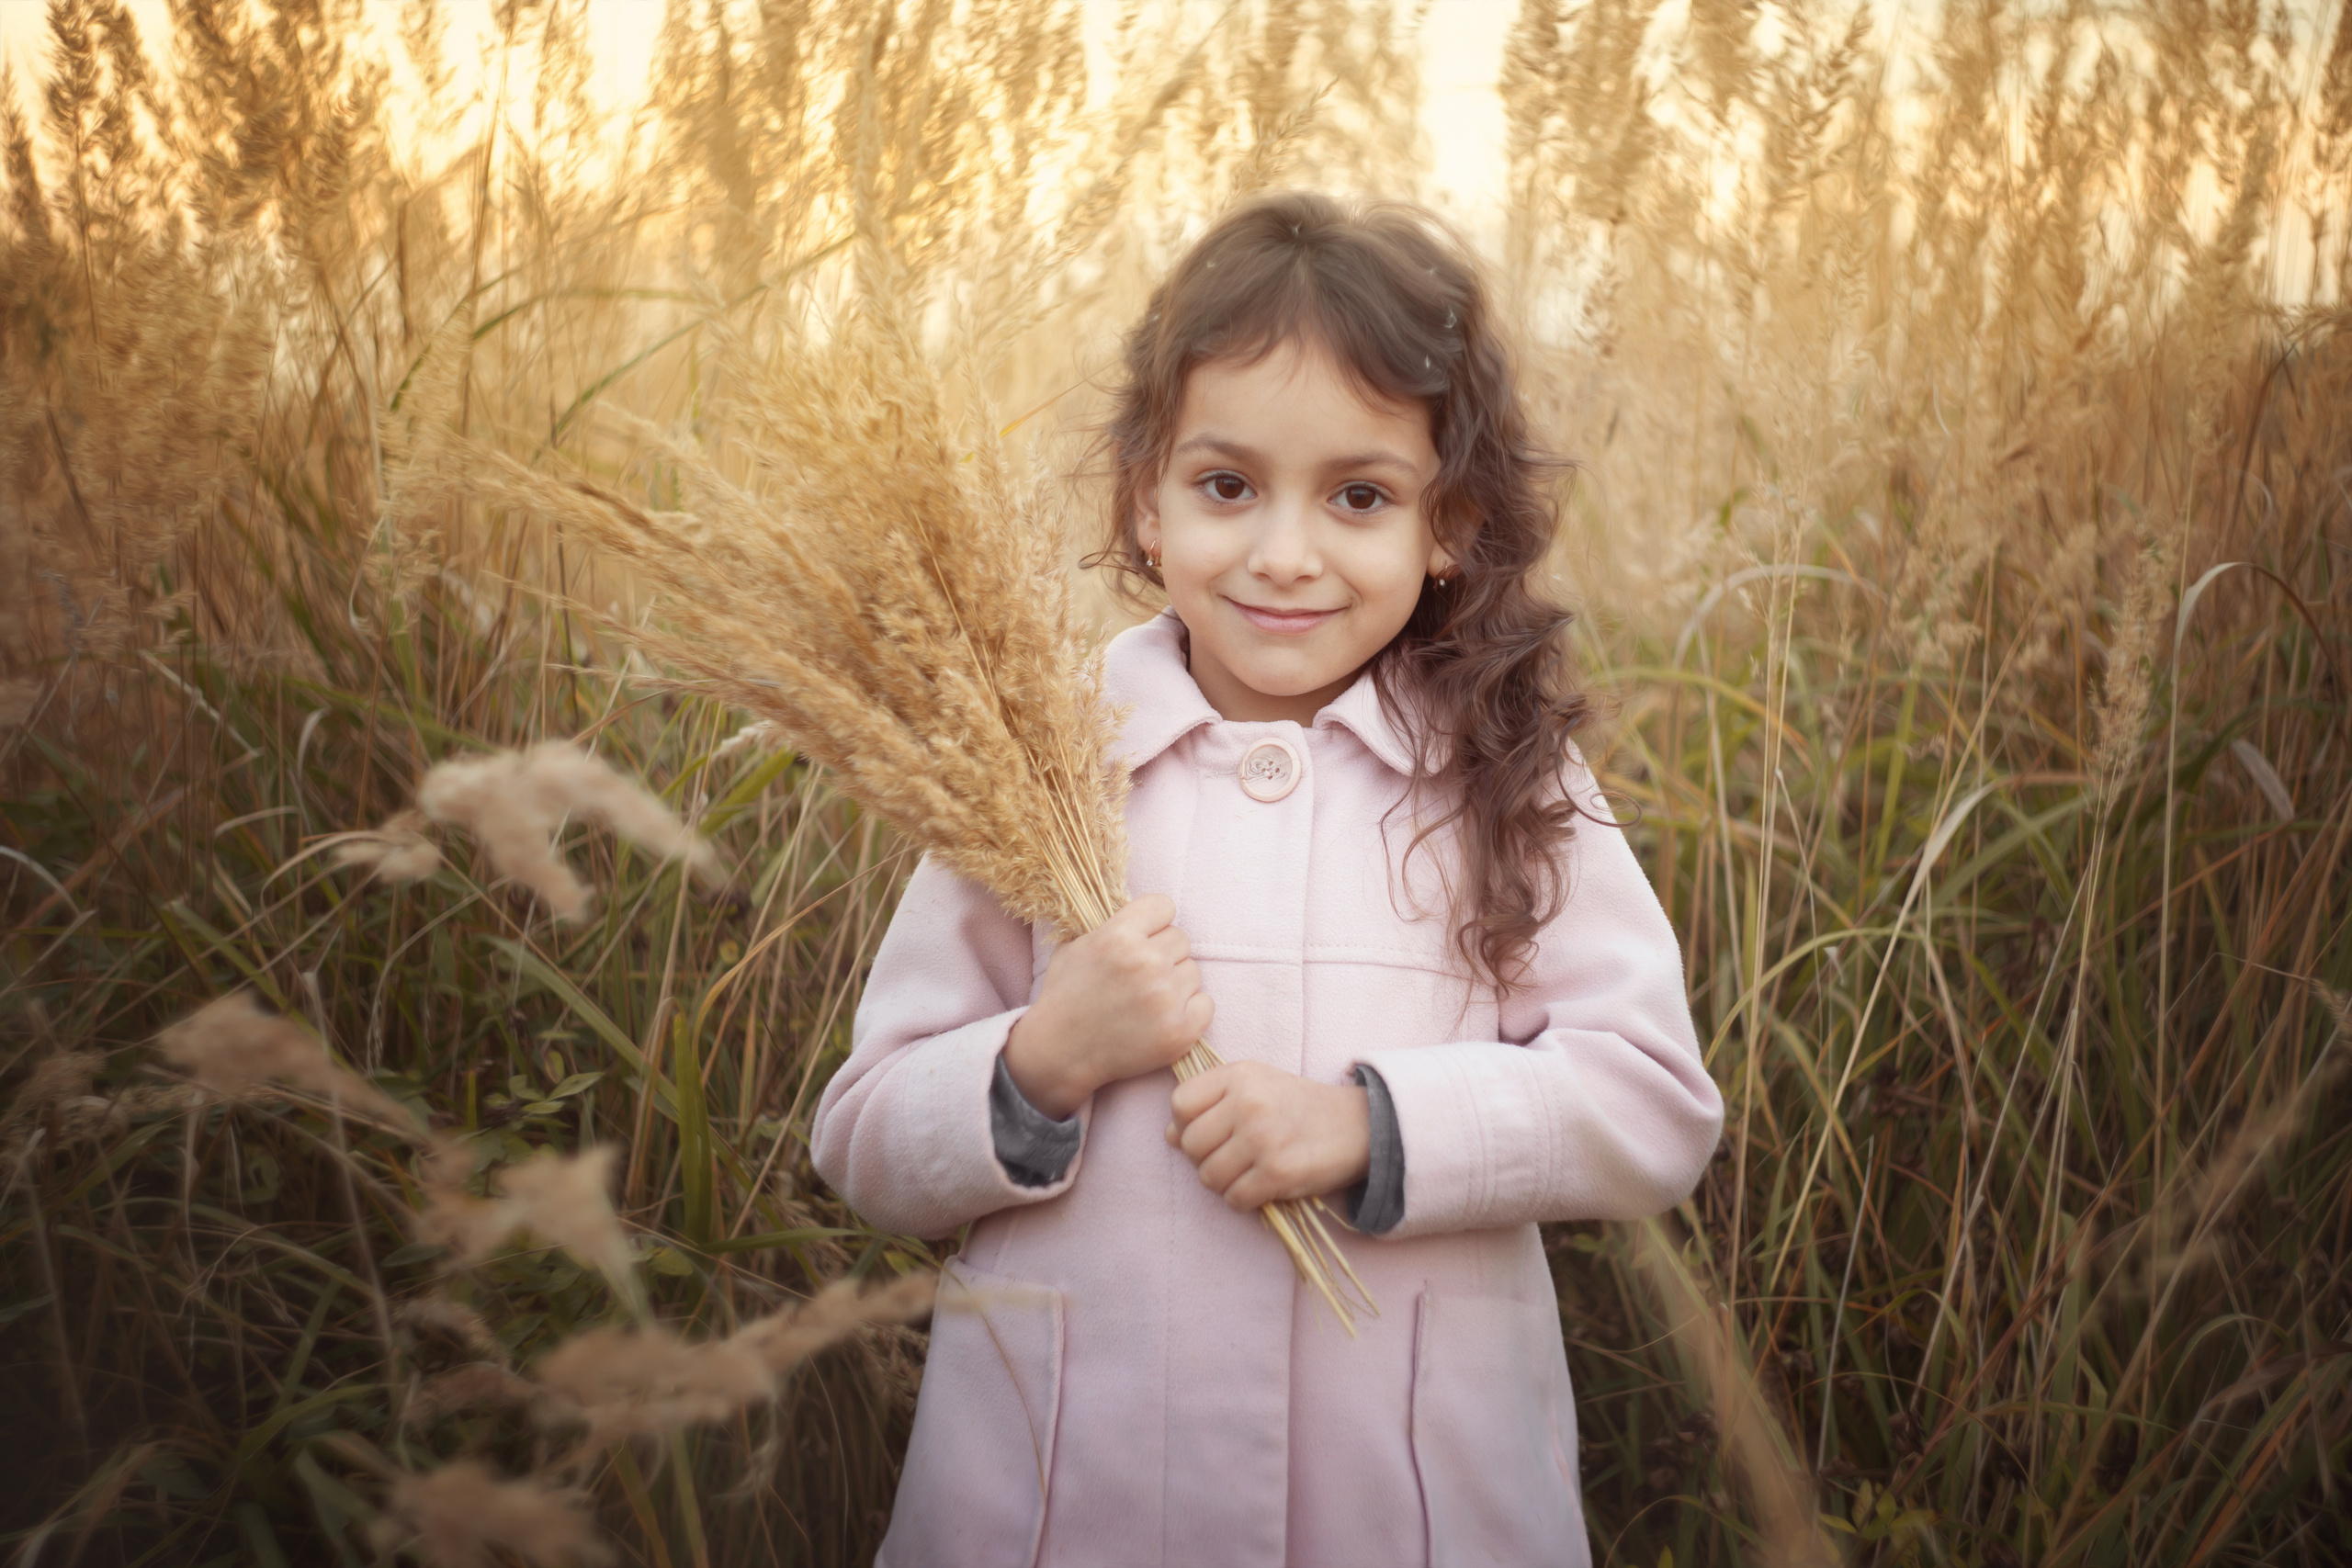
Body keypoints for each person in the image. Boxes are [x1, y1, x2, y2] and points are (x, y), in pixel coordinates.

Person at [811, 191, 1724, 1568]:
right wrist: (1045, 1058)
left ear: (1449, 523)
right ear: (1146, 497)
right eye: (1227, 486)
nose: (1285, 555)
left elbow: (1651, 1102)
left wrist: (1370, 1128)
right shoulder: (1040, 767)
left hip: (1407, 1512)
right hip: (1066, 1505)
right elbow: (865, 1135)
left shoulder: (1504, 778)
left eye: (1360, 496)